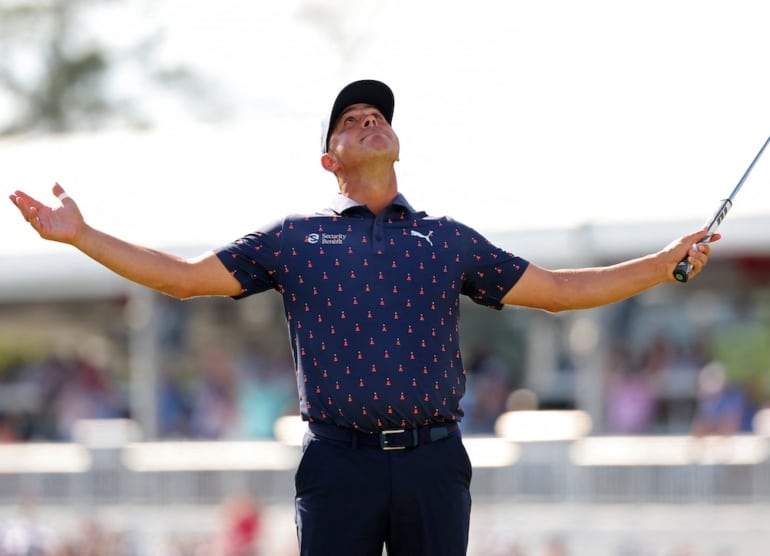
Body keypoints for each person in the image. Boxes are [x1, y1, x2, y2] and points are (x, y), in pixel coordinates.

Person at [9, 79, 717, 556]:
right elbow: (187, 279)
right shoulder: (293, 238)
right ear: (331, 158)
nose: (370, 121)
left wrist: (663, 262)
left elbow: (560, 289)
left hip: (436, 461)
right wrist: (83, 235)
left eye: (378, 116)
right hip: (337, 463)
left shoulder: (447, 238)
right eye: (352, 121)